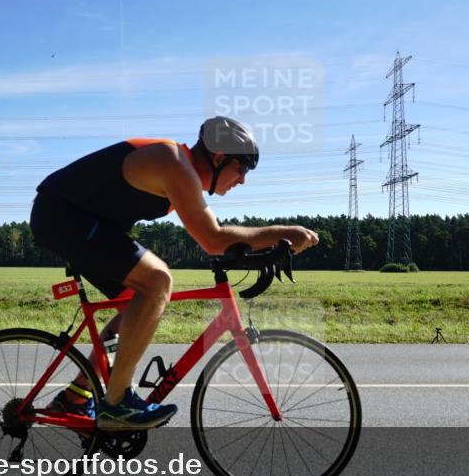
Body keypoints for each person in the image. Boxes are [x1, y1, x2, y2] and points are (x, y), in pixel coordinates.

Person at [29, 116, 319, 431]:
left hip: (81, 221)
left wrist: (265, 250)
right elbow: (214, 239)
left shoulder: (182, 170)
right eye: (242, 169)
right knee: (158, 282)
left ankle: (75, 396)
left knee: (135, 307)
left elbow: (219, 239)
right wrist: (283, 233)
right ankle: (117, 403)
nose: (243, 180)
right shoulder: (175, 163)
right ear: (219, 157)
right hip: (62, 216)